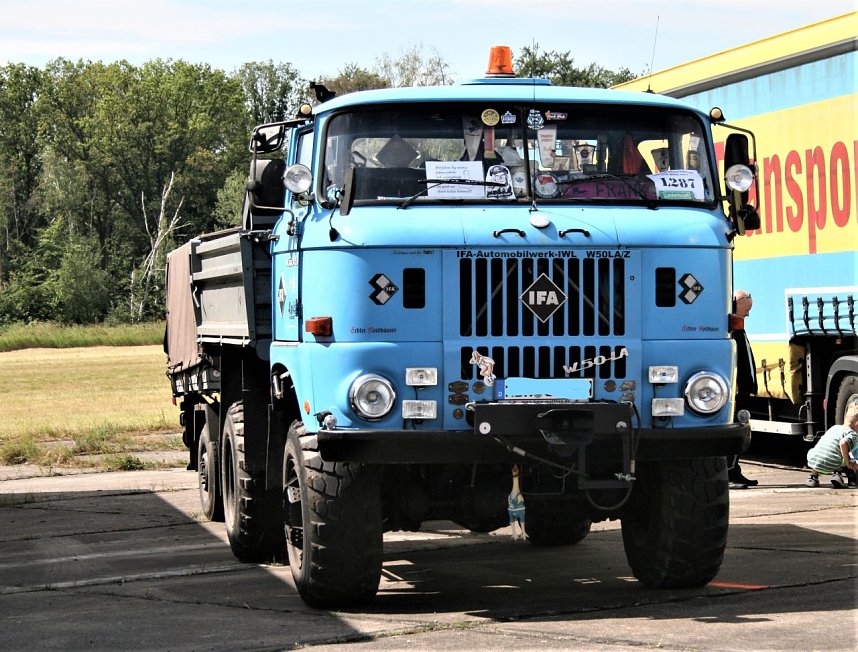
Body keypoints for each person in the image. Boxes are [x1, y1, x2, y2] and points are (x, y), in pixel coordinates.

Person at [729, 290, 758, 489]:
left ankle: (735, 471)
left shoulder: (738, 329)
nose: (748, 314)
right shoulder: (731, 330)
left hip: (742, 390)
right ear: (737, 304)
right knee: (733, 433)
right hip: (736, 392)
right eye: (746, 309)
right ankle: (730, 474)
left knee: (739, 433)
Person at [805, 397, 858, 488]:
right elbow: (843, 443)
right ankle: (838, 475)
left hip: (813, 459)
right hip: (832, 463)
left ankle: (812, 477)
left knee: (827, 450)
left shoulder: (834, 428)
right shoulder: (852, 434)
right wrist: (849, 463)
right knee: (849, 457)